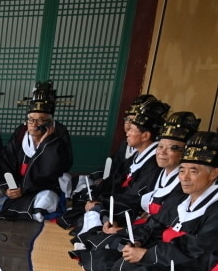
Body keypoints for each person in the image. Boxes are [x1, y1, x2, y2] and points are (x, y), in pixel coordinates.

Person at [39, 131, 218, 271]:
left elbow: (195, 249)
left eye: (194, 171)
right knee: (119, 254)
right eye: (183, 170)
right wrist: (138, 242)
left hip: (186, 269)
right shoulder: (185, 197)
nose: (185, 177)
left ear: (214, 173)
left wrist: (148, 254)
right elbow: (156, 224)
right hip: (163, 253)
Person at [70, 98, 170, 238]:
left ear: (146, 135)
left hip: (130, 210)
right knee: (87, 196)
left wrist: (103, 202)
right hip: (119, 201)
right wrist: (100, 195)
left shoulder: (153, 164)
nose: (127, 132)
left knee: (95, 214)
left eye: (132, 129)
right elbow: (116, 178)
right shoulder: (136, 155)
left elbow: (135, 197)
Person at [0, 81, 73, 222]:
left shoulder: (58, 135)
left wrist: (46, 144)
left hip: (42, 187)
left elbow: (54, 168)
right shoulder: (20, 132)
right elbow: (6, 160)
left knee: (46, 200)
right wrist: (7, 188)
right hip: (17, 186)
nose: (34, 125)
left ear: (49, 122)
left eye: (41, 120)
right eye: (31, 120)